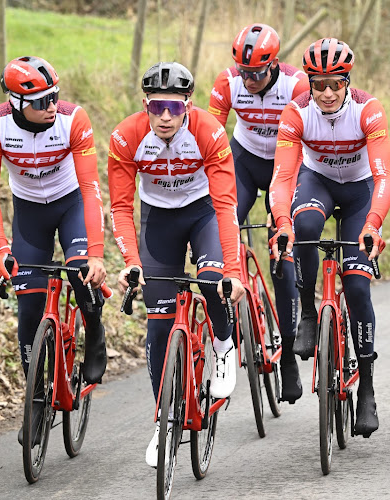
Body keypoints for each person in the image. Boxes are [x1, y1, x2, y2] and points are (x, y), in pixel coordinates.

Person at [108, 62, 245, 466]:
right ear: (145, 105)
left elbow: (225, 205)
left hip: (202, 213)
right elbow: (120, 206)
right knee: (159, 322)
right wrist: (131, 263)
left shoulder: (209, 132)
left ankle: (222, 344)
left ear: (188, 104)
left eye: (174, 107)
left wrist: (234, 272)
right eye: (156, 107)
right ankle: (164, 421)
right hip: (158, 221)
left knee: (210, 281)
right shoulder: (126, 136)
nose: (165, 116)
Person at [0, 56, 108, 446]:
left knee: (82, 272)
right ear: (17, 104)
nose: (51, 106)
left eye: (55, 97)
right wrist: (1, 249)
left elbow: (90, 190)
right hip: (29, 214)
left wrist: (97, 253)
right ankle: (36, 398)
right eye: (40, 102)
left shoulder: (73, 119)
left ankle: (95, 329)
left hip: (72, 204)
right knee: (29, 306)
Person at [269, 38, 390, 437]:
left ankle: (368, 389)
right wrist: (281, 222)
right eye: (318, 83)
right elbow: (284, 177)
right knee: (303, 226)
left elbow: (384, 176)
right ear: (309, 82)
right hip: (317, 182)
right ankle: (308, 310)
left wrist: (373, 223)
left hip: (359, 193)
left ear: (347, 82)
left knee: (357, 288)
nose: (325, 93)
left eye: (335, 84)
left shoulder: (368, 110)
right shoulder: (296, 112)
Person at [208, 23, 309, 403]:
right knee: (223, 227)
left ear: (275, 66)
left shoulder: (296, 86)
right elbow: (210, 137)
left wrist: (281, 208)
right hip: (245, 162)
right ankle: (230, 327)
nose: (248, 80)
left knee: (282, 254)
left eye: (257, 73)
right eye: (243, 72)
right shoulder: (227, 83)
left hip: (288, 164)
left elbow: (305, 144)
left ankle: (288, 360)